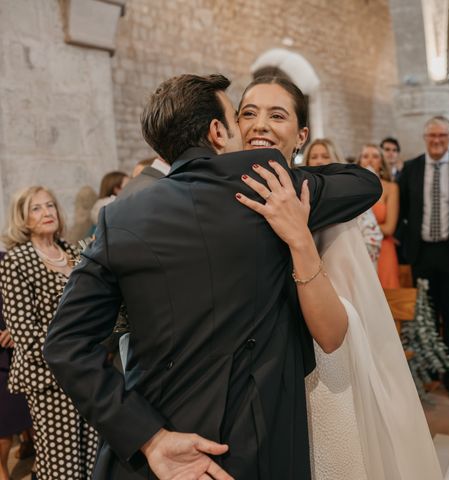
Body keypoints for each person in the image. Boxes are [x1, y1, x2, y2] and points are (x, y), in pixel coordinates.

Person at [43, 73, 381, 480]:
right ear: (218, 131)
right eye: (241, 119)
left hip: (156, 442)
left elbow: (64, 344)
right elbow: (364, 183)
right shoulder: (269, 189)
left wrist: (148, 437)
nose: (252, 129)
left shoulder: (118, 217)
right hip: (251, 441)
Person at [239, 75, 442, 479]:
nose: (259, 124)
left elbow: (366, 184)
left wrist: (296, 218)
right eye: (248, 113)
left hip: (314, 365)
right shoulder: (218, 197)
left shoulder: (322, 198)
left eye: (276, 115)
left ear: (301, 136)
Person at [0, 186, 98, 480]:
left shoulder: (74, 253)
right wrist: (78, 345)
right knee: (62, 468)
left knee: (93, 459)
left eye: (51, 206)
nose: (47, 213)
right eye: (37, 208)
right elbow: (25, 335)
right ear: (23, 218)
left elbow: (94, 307)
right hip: (48, 380)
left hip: (89, 373)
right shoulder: (16, 261)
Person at [398, 116, 449, 401]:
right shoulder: (411, 168)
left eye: (442, 136)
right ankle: (432, 369)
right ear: (425, 138)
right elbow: (404, 211)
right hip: (423, 252)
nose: (436, 141)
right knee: (428, 316)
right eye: (431, 136)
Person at [303, 138, 383, 264]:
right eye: (314, 157)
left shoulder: (352, 192)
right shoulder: (301, 195)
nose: (319, 161)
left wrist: (354, 261)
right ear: (307, 161)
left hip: (346, 264)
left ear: (335, 159)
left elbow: (373, 238)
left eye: (325, 156)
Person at [0, 255, 33, 480]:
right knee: (3, 419)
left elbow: (29, 297)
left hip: (19, 350)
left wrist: (17, 328)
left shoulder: (8, 261)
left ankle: (30, 444)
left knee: (25, 408)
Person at [358, 144, 400, 287]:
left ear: (381, 162)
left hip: (384, 249)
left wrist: (363, 227)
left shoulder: (390, 188)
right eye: (365, 156)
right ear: (359, 162)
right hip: (358, 247)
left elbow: (389, 228)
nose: (370, 160)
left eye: (375, 156)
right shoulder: (351, 187)